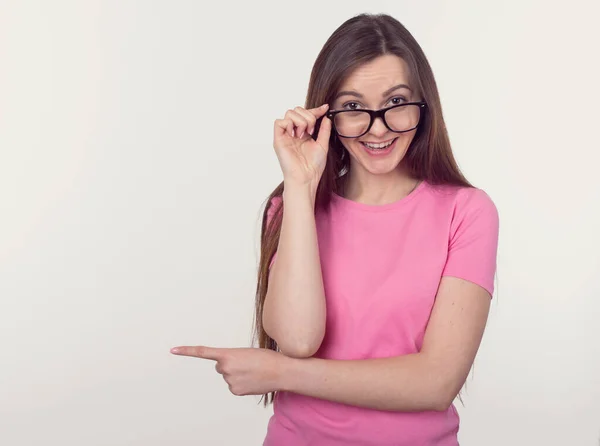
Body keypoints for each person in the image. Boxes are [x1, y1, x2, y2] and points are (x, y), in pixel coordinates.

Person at [171, 12, 499, 446]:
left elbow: (436, 382)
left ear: (424, 106)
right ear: (325, 116)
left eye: (397, 102)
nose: (377, 127)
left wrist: (280, 373)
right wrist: (300, 186)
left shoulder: (467, 211)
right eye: (352, 107)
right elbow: (298, 338)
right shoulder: (291, 207)